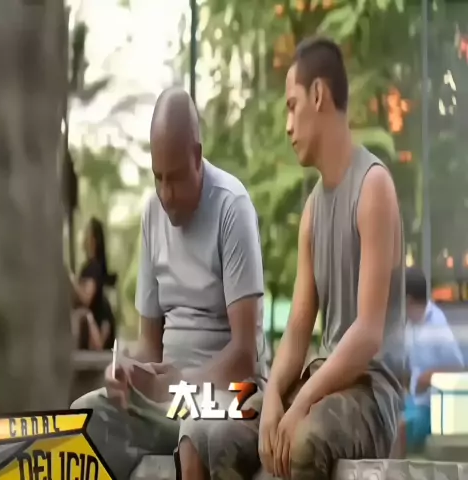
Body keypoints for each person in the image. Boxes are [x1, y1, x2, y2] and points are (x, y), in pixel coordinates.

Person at [71, 87, 268, 480]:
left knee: (195, 428)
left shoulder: (232, 207)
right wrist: (129, 372)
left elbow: (245, 354)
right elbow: (150, 345)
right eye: (157, 178)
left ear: (197, 156)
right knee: (84, 418)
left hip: (235, 396)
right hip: (170, 401)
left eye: (175, 179)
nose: (166, 194)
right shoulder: (151, 214)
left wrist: (179, 384)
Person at [258, 36, 406, 479]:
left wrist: (301, 402)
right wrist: (273, 397)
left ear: (319, 95)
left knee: (303, 441)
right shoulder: (312, 212)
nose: (288, 126)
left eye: (292, 106)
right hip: (323, 381)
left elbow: (367, 335)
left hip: (370, 391)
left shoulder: (373, 186)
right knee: (236, 425)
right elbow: (298, 329)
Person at [399, 267, 464, 454]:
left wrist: (430, 376)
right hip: (412, 400)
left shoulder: (436, 324)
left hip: (431, 408)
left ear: (408, 300)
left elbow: (459, 368)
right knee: (383, 420)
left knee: (398, 430)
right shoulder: (410, 324)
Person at [71, 217, 116, 351]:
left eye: (86, 233)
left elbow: (86, 299)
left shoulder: (93, 267)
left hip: (97, 331)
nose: (83, 237)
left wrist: (71, 280)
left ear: (93, 240)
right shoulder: (90, 267)